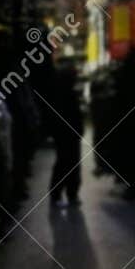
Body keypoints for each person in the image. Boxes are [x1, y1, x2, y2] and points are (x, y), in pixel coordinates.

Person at [47, 53, 84, 208]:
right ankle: (70, 194)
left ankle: (59, 194)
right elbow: (75, 112)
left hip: (63, 131)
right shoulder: (69, 91)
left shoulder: (57, 89)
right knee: (70, 162)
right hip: (69, 131)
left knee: (63, 161)